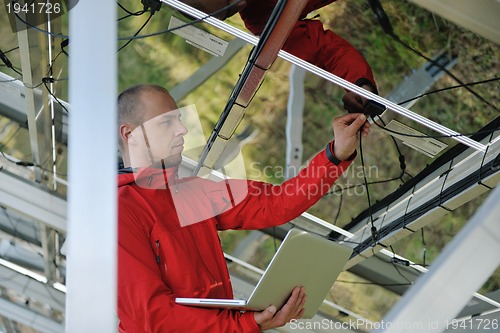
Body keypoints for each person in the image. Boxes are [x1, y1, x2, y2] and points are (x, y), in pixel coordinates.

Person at [116, 84, 370, 332]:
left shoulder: (191, 192)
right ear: (130, 135)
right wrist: (244, 325)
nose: (182, 130)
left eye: (179, 119)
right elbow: (153, 317)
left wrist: (335, 154)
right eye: (166, 122)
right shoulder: (116, 212)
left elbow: (277, 203)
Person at [180, 0, 379, 113]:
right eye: (230, 10)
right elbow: (324, 50)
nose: (240, 2)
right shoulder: (261, 20)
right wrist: (360, 85)